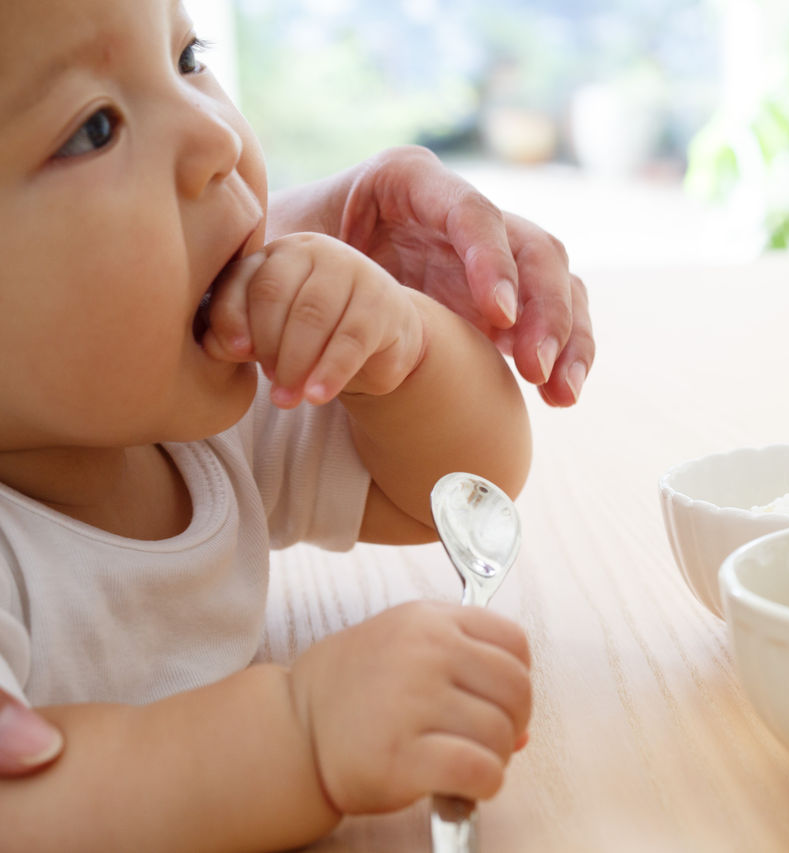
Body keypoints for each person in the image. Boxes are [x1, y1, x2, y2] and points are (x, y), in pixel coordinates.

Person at [0, 0, 595, 848]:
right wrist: (302, 735)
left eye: (186, 56)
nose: (214, 136)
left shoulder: (176, 411)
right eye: (95, 129)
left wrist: (401, 350)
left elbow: (461, 492)